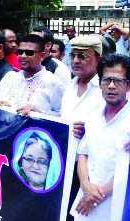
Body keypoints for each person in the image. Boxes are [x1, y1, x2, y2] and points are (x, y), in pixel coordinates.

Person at [70, 54, 130, 221]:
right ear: (99, 83)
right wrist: (85, 185)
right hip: (85, 203)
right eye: (106, 80)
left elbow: (126, 171)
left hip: (117, 205)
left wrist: (96, 197)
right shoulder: (93, 114)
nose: (111, 86)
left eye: (118, 81)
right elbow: (83, 153)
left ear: (128, 86)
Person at [60, 35, 105, 221]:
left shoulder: (106, 88)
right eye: (73, 55)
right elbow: (62, 119)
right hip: (64, 162)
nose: (76, 61)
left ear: (98, 59)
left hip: (90, 168)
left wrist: (90, 130)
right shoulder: (70, 86)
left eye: (83, 56)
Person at [0, 34, 65, 116]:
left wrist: (40, 113)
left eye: (29, 53)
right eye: (20, 52)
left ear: (42, 56)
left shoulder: (53, 82)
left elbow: (63, 116)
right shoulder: (11, 78)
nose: (23, 56)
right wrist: (5, 107)